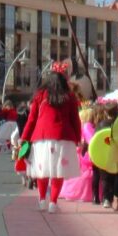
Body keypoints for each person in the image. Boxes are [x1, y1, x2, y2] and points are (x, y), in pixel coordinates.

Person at [18, 65, 81, 214]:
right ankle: (53, 202)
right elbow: (75, 119)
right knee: (58, 171)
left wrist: (24, 137)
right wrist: (78, 138)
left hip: (41, 136)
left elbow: (31, 119)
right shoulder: (70, 97)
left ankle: (42, 200)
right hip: (64, 136)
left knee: (42, 170)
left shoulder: (40, 95)